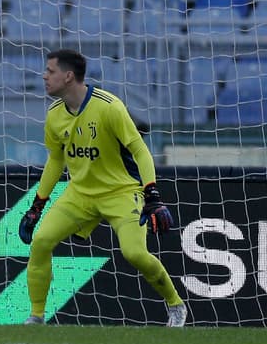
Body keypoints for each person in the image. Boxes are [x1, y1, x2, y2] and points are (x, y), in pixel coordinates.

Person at [16, 49, 186, 327]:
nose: (44, 76)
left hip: (121, 192)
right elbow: (56, 160)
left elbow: (140, 151)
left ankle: (176, 304)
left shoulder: (109, 107)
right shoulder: (55, 114)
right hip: (80, 193)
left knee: (134, 253)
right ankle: (36, 316)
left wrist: (152, 194)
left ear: (68, 76)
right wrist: (37, 205)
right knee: (41, 242)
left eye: (50, 71)